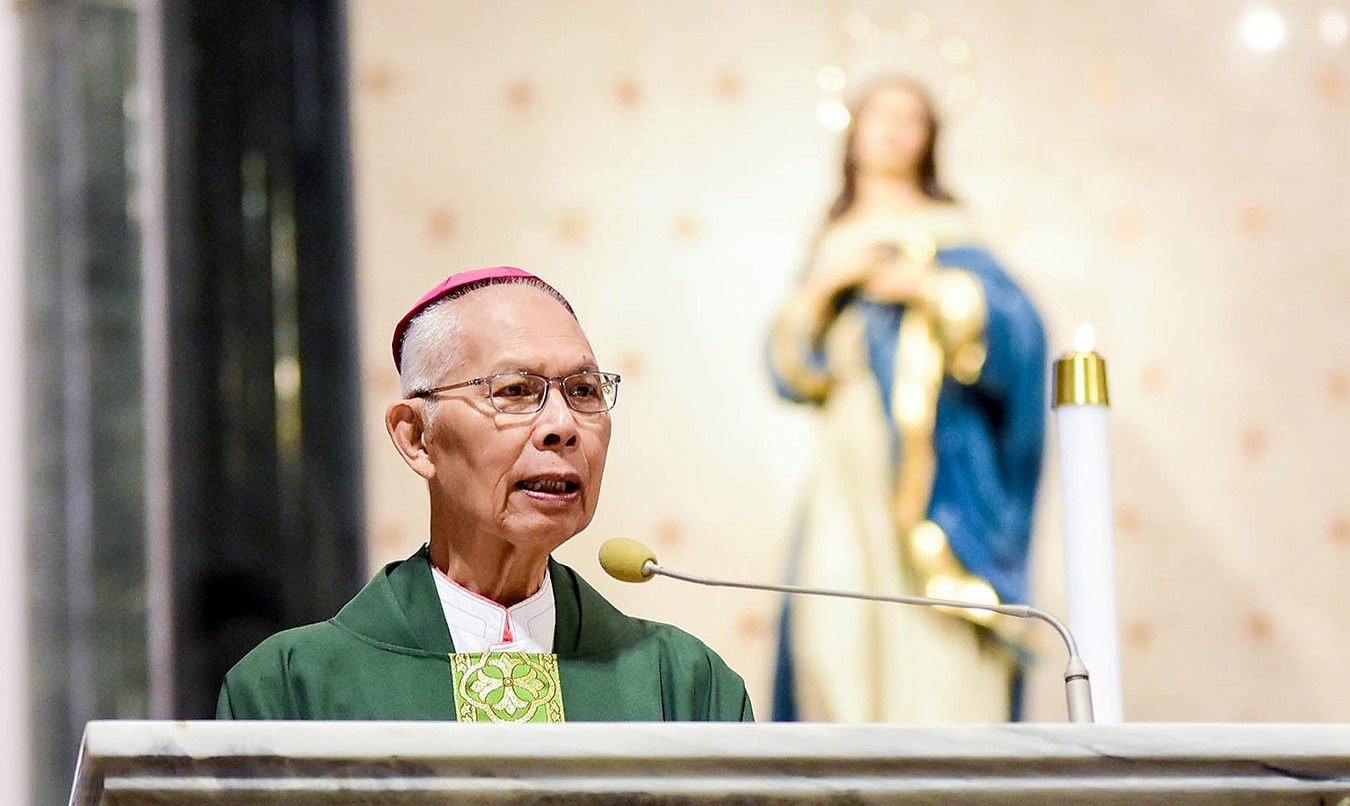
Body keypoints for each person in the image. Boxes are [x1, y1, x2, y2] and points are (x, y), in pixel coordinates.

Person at [219, 266, 753, 722]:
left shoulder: (683, 684)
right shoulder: (290, 687)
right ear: (417, 437)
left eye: (584, 391)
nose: (562, 426)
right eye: (516, 391)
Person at [768, 79, 1045, 723]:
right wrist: (819, 291)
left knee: (934, 638)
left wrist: (932, 289)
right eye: (879, 116)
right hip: (850, 455)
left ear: (929, 140)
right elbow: (787, 371)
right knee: (833, 620)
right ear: (853, 132)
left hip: (937, 462)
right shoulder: (830, 240)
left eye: (911, 119)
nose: (893, 131)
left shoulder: (956, 237)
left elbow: (1022, 338)